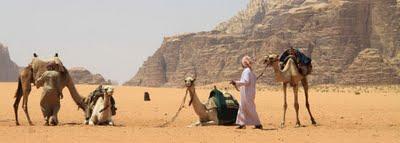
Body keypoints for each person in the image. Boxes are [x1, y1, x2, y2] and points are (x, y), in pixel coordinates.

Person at [230, 56, 262, 129]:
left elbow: (246, 81)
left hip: (247, 94)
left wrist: (236, 82)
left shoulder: (247, 71)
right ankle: (242, 124)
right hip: (247, 93)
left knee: (250, 108)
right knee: (242, 107)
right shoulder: (250, 71)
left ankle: (258, 124)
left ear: (244, 63)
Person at [35, 62, 63, 126]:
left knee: (43, 104)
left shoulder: (45, 73)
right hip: (55, 92)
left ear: (49, 67)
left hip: (46, 92)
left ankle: (46, 120)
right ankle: (53, 116)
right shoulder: (57, 74)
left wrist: (36, 84)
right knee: (56, 105)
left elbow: (39, 81)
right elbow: (59, 85)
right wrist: (60, 93)